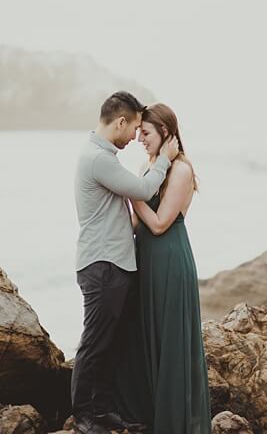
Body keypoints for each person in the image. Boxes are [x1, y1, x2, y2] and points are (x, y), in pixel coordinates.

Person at [73, 91, 177, 434]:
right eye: (134, 127)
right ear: (120, 121)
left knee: (112, 342)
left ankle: (101, 409)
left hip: (114, 263)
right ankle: (83, 415)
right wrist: (164, 158)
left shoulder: (102, 156)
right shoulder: (98, 159)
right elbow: (145, 191)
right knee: (95, 342)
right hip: (102, 265)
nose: (135, 136)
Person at [114, 103, 211, 433]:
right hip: (146, 260)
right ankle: (145, 411)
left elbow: (158, 223)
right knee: (143, 334)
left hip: (169, 259)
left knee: (169, 340)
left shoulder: (180, 169)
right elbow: (137, 220)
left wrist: (130, 193)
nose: (140, 137)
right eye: (139, 131)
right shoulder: (149, 164)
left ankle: (174, 421)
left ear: (166, 132)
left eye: (146, 132)